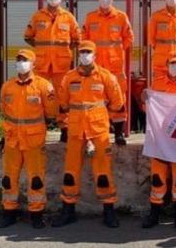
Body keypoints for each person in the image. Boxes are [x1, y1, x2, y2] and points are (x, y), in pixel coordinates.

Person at [51, 41, 125, 228]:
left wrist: (117, 131)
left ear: (95, 55)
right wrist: (64, 128)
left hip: (98, 130)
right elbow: (63, 105)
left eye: (88, 52)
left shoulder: (105, 77)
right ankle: (68, 210)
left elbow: (118, 103)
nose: (84, 55)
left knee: (103, 173)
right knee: (70, 172)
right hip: (76, 131)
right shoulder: (69, 78)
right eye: (82, 51)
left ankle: (109, 210)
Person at [0, 49, 54, 229]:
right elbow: (4, 111)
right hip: (12, 139)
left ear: (33, 63)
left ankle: (36, 214)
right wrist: (4, 136)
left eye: (25, 60)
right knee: (8, 178)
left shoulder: (44, 86)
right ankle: (9, 212)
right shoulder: (7, 86)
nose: (21, 63)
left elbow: (51, 112)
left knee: (36, 178)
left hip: (33, 141)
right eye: (18, 60)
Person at [141, 55, 176, 229]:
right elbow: (148, 108)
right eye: (172, 63)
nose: (174, 66)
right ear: (166, 65)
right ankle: (154, 214)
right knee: (157, 177)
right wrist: (144, 100)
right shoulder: (157, 84)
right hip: (160, 136)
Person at [24, 0, 80, 142]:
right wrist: (42, 49)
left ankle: (64, 128)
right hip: (42, 64)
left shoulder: (68, 17)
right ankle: (38, 127)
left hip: (61, 65)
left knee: (62, 97)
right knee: (37, 95)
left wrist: (64, 51)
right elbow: (28, 36)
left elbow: (77, 39)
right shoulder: (38, 16)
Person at [83, 0, 135, 146]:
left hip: (115, 68)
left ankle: (119, 133)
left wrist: (117, 51)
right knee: (95, 100)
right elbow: (84, 39)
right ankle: (97, 134)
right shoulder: (90, 18)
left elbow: (129, 38)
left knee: (118, 100)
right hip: (96, 68)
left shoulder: (120, 17)